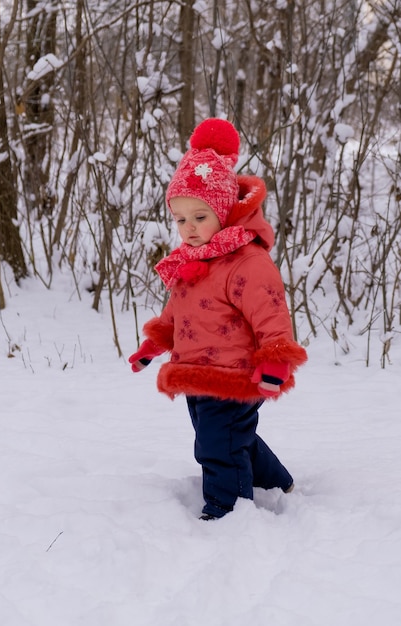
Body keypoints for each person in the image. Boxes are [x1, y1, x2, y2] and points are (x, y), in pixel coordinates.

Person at [129, 118, 308, 520]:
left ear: (224, 212)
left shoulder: (247, 262)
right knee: (229, 437)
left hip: (235, 375)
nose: (189, 229)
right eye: (180, 219)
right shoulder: (191, 262)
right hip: (196, 371)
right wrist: (152, 345)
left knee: (215, 446)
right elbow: (177, 314)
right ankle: (277, 481)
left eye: (200, 217)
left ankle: (227, 510)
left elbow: (271, 314)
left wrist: (276, 359)